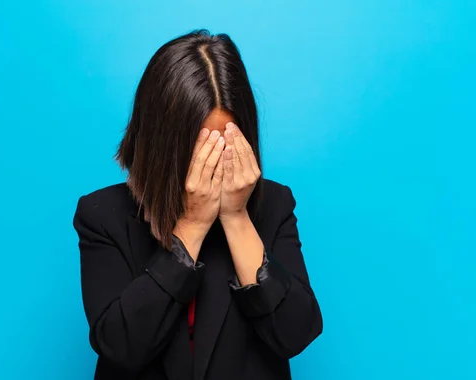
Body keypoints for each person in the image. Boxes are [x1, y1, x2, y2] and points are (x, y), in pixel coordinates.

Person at [72, 30, 323, 380]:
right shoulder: (102, 215)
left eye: (227, 143)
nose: (214, 162)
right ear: (162, 143)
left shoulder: (275, 204)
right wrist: (191, 226)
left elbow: (296, 333)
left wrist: (236, 217)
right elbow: (121, 346)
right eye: (200, 147)